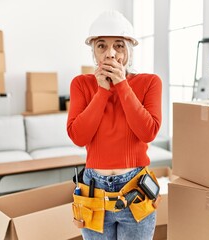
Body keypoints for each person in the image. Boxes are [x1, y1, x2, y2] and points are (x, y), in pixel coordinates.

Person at [67, 10, 162, 240]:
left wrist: (122, 85)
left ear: (129, 50)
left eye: (118, 45)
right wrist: (102, 92)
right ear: (93, 52)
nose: (110, 53)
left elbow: (148, 132)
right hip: (93, 193)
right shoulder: (81, 84)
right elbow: (78, 137)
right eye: (102, 46)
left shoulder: (149, 82)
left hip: (135, 191)